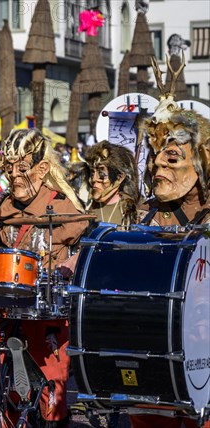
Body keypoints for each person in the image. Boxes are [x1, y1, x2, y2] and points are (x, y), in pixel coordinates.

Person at [0, 128, 89, 427]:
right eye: (8, 168)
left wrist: (73, 260)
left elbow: (90, 248)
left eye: (22, 168)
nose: (13, 175)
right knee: (10, 390)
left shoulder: (63, 206)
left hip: (48, 316)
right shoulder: (2, 207)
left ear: (42, 168)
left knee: (50, 393)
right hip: (7, 310)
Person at [131, 108, 210, 428]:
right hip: (154, 341)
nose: (158, 165)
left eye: (172, 158)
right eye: (155, 157)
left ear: (203, 161)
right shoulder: (143, 212)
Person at [83, 140, 140, 225]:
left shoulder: (136, 211)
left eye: (101, 174)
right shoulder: (85, 207)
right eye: (92, 173)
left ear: (120, 177)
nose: (94, 179)